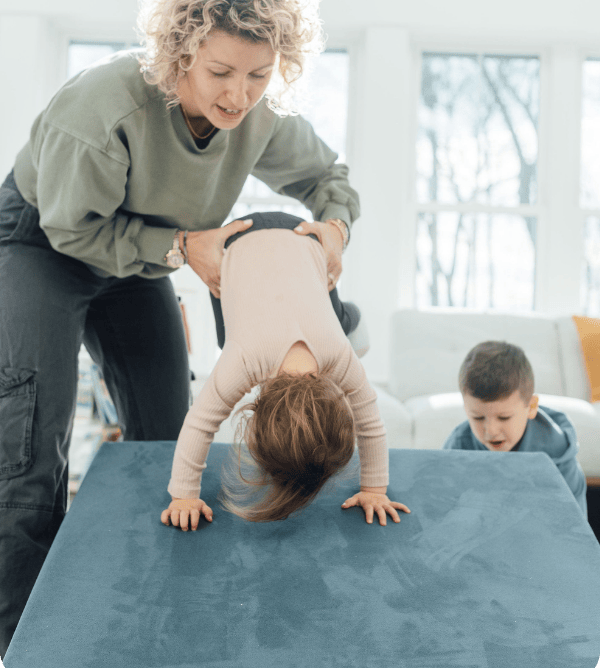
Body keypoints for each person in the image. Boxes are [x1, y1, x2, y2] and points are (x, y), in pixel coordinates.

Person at [0, 0, 360, 656]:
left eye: (259, 76)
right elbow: (72, 228)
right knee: (28, 450)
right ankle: (21, 647)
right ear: (178, 55)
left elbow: (331, 178)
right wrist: (178, 248)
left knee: (168, 438)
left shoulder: (253, 117)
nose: (238, 94)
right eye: (221, 71)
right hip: (44, 241)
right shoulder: (99, 113)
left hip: (151, 252)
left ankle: (151, 614)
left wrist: (333, 232)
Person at [160, 212, 411, 528]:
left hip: (302, 240)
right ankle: (340, 314)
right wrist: (183, 495)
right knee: (228, 335)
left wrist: (375, 489)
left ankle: (340, 313)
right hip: (254, 241)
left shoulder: (336, 356)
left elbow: (369, 421)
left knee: (239, 334)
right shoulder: (243, 359)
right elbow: (199, 423)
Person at [443, 341, 587, 515]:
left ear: (531, 407)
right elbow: (440, 504)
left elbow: (576, 526)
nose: (491, 431)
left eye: (504, 417)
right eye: (478, 417)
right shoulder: (458, 446)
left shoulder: (558, 450)